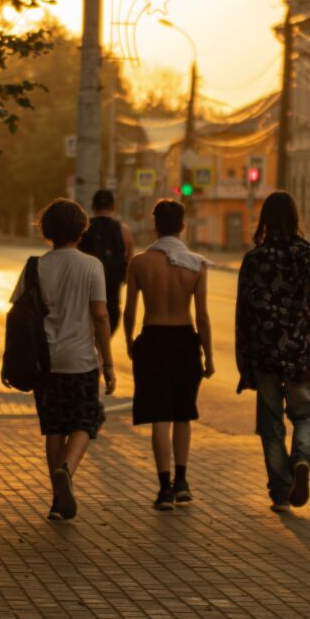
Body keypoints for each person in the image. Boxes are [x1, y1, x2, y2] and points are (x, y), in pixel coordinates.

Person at [9, 198, 116, 521]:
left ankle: (58, 502)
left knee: (54, 428)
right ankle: (67, 471)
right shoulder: (91, 266)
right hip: (81, 360)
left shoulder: (35, 266)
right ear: (82, 229)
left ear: (47, 230)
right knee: (86, 421)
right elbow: (99, 315)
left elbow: (17, 310)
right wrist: (109, 364)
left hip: (45, 363)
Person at [235, 191, 310, 513]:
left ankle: (280, 493)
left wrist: (245, 363)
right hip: (301, 354)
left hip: (265, 355)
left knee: (271, 424)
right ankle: (303, 459)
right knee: (303, 416)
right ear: (295, 218)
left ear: (264, 219)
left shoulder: (255, 259)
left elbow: (244, 315)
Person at [123, 199, 214, 511]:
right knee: (183, 413)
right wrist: (209, 355)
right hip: (185, 341)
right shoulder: (196, 264)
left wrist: (129, 342)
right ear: (183, 227)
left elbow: (130, 310)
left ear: (155, 226)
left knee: (159, 416)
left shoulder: (139, 263)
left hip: (153, 338)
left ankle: (164, 489)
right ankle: (183, 482)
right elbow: (201, 316)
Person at [78, 189, 134, 332]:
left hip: (86, 297)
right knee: (105, 335)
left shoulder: (83, 229)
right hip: (111, 296)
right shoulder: (124, 230)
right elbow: (130, 263)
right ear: (113, 207)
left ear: (93, 207)